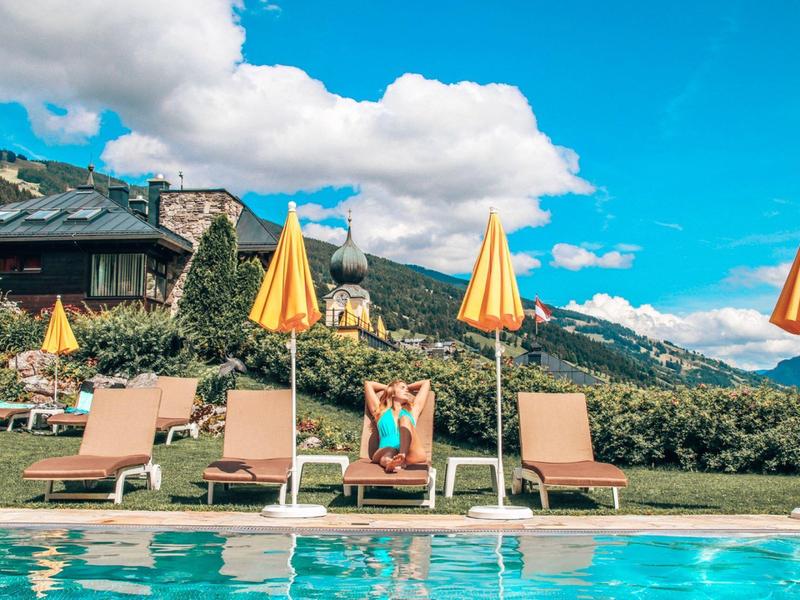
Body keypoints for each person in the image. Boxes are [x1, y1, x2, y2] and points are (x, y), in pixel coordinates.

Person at [364, 379, 431, 473]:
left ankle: (401, 456)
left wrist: (407, 388)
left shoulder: (412, 411)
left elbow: (426, 383)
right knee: (389, 451)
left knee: (404, 418)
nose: (406, 390)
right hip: (385, 451)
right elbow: (368, 384)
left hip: (410, 454)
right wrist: (389, 388)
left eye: (406, 388)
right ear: (392, 393)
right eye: (402, 388)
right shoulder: (380, 412)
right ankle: (391, 463)